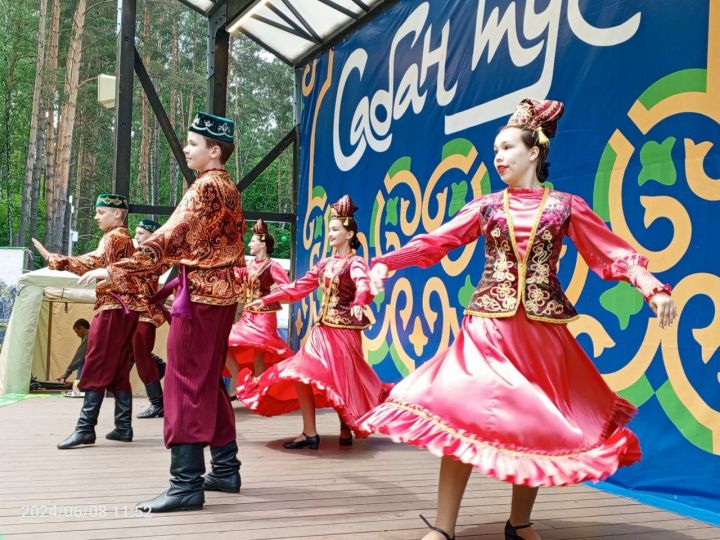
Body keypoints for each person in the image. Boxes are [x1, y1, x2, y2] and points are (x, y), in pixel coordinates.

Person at [360, 98, 677, 540]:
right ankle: (445, 527)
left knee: (534, 424)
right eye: (495, 150)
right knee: (461, 413)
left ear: (534, 151)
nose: (499, 157)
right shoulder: (487, 206)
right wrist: (386, 263)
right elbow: (437, 241)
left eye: (507, 147)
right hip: (487, 327)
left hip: (542, 332)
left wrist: (651, 286)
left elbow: (609, 252)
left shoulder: (566, 206)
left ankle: (519, 521)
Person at [79, 112, 246, 513]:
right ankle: (225, 468)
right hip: (219, 296)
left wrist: (114, 268)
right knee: (205, 381)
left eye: (193, 143)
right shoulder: (229, 189)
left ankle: (186, 483)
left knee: (184, 383)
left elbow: (168, 236)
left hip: (201, 298)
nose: (187, 149)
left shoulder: (205, 187)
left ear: (214, 150)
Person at [238, 195, 391, 449]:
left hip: (345, 333)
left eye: (334, 229)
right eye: (328, 229)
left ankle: (345, 426)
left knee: (342, 381)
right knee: (301, 373)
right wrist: (266, 300)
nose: (329, 234)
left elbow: (363, 283)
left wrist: (359, 301)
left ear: (350, 233)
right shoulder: (325, 264)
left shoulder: (355, 263)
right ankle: (309, 432)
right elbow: (297, 288)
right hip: (321, 332)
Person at [32, 194, 142, 449]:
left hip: (114, 306)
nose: (96, 217)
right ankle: (123, 427)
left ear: (118, 214)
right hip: (127, 308)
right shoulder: (124, 240)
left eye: (101, 212)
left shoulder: (114, 237)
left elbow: (92, 261)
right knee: (117, 367)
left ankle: (85, 429)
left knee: (95, 361)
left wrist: (57, 260)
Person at [226, 218, 291, 386]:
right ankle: (239, 378)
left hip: (265, 317)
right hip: (248, 316)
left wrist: (274, 292)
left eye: (253, 241)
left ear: (262, 244)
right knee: (224, 344)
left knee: (259, 355)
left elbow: (287, 287)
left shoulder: (273, 266)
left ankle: (260, 390)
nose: (249, 245)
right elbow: (237, 277)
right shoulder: (249, 264)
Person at [132, 218, 168, 419]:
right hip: (136, 313)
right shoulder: (141, 254)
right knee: (137, 354)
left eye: (140, 233)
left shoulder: (149, 255)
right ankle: (159, 366)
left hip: (145, 313)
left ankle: (157, 403)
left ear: (152, 235)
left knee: (141, 356)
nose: (136, 237)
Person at [56, 318, 90, 383]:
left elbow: (79, 357)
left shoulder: (89, 336)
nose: (77, 335)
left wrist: (67, 373)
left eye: (77, 332)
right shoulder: (92, 335)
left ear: (82, 328)